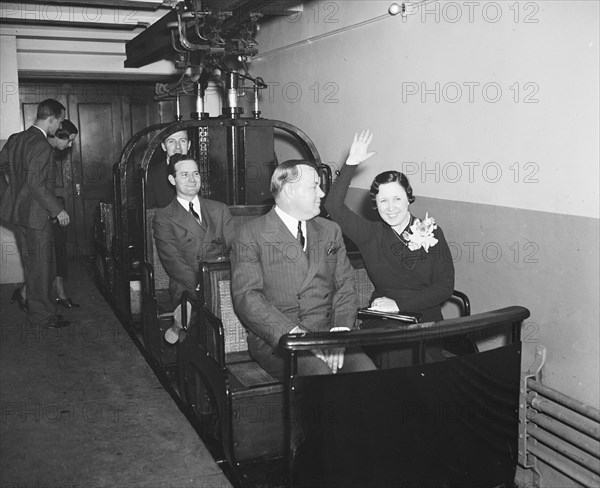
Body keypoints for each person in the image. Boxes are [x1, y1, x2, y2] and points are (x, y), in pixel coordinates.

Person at [230, 160, 376, 380]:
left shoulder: (330, 230)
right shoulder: (250, 234)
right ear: (289, 190)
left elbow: (345, 286)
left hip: (329, 333)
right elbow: (247, 298)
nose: (322, 193)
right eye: (314, 186)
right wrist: (293, 334)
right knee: (320, 375)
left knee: (368, 373)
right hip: (280, 338)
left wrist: (340, 332)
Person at [324, 130, 455, 369]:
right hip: (385, 321)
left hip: (426, 319)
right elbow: (333, 205)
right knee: (398, 349)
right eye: (383, 201)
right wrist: (351, 163)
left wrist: (398, 303)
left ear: (408, 199)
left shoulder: (433, 232)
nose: (391, 208)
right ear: (376, 205)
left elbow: (445, 287)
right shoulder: (369, 234)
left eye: (397, 199)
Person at [0, 99, 70, 329]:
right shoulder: (40, 144)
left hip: (18, 214)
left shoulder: (16, 139)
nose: (59, 126)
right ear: (50, 119)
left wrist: (10, 195)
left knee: (32, 264)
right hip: (36, 215)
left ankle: (35, 307)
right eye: (59, 121)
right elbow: (36, 184)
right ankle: (42, 317)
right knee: (42, 267)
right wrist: (57, 209)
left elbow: (3, 166)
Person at [153, 154, 235, 343]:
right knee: (206, 315)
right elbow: (173, 261)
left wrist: (229, 278)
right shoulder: (164, 216)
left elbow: (234, 248)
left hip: (222, 277)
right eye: (184, 175)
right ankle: (190, 341)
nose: (192, 180)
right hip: (188, 283)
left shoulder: (219, 209)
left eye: (196, 173)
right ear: (172, 180)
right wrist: (203, 283)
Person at [10, 119, 80, 311]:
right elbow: (35, 185)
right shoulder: (40, 148)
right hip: (45, 212)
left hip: (51, 208)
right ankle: (30, 296)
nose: (71, 145)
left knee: (56, 255)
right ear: (58, 134)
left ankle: (57, 293)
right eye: (69, 140)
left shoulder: (46, 150)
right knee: (45, 261)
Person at [146, 129, 191, 208]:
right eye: (171, 141)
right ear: (164, 146)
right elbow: (148, 213)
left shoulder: (201, 170)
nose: (178, 146)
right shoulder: (152, 174)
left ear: (189, 145)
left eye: (182, 141)